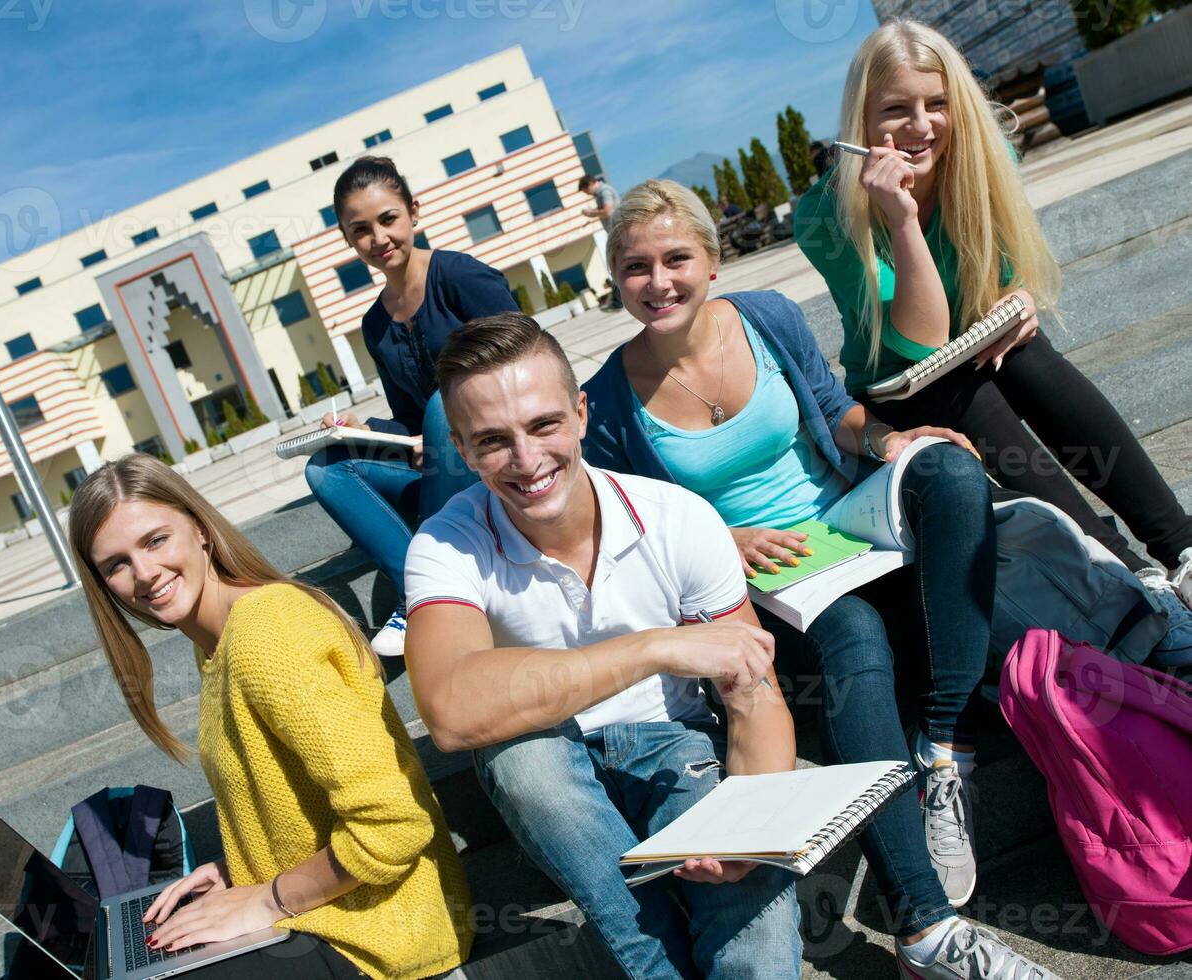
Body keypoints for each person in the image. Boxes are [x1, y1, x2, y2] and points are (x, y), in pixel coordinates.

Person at [581, 178, 1062, 980]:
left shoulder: (766, 317)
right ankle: (925, 929)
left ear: (710, 259)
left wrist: (887, 443)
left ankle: (941, 746)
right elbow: (628, 523)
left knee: (943, 467)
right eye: (635, 267)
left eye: (674, 258)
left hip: (844, 522)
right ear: (616, 279)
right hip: (758, 581)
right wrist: (717, 536)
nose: (657, 282)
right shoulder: (605, 402)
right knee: (853, 632)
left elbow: (834, 409)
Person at [403, 312, 803, 980]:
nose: (527, 461)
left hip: (675, 744)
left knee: (754, 920)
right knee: (527, 765)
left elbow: (756, 698)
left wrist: (748, 835)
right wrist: (653, 649)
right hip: (545, 752)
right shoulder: (447, 544)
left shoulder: (677, 519)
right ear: (465, 454)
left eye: (543, 425)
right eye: (493, 441)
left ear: (581, 413)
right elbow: (449, 711)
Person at [793, 19, 1192, 614]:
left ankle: (1180, 546)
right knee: (962, 385)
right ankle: (1128, 574)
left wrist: (1021, 298)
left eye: (937, 103)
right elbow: (919, 340)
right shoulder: (826, 214)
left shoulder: (983, 157)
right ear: (862, 123)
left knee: (1027, 351)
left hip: (984, 351)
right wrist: (900, 218)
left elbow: (999, 271)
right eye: (896, 109)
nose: (922, 126)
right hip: (902, 387)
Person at [68, 454, 472, 980]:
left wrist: (265, 900)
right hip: (324, 914)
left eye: (154, 541)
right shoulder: (216, 640)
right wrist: (238, 872)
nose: (144, 574)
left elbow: (394, 823)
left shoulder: (268, 631)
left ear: (200, 529)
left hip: (381, 931)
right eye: (116, 565)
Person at [305, 156, 520, 656]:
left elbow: (529, 362)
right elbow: (408, 417)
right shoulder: (374, 325)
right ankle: (425, 591)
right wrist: (366, 428)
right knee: (326, 469)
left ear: (413, 213)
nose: (378, 238)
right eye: (360, 230)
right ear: (348, 241)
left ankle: (427, 590)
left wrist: (450, 426)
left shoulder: (459, 276)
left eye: (387, 219)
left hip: (497, 447)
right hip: (439, 463)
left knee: (447, 405)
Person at [580, 174, 624, 310]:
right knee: (617, 266)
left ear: (590, 185)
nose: (587, 194)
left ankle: (618, 302)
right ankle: (618, 301)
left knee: (616, 266)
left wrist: (590, 213)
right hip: (617, 233)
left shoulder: (603, 191)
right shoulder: (602, 192)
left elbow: (607, 211)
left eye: (585, 191)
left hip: (619, 234)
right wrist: (591, 219)